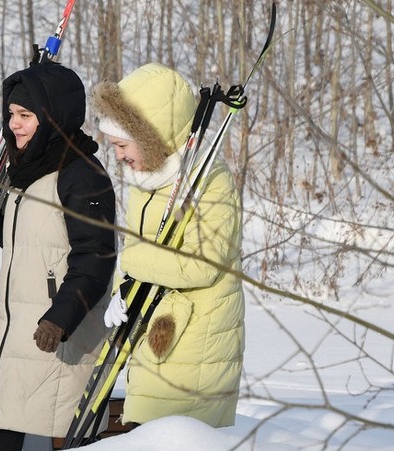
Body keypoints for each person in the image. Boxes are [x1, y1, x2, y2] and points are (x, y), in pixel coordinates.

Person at [0, 61, 116, 450]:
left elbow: (96, 258)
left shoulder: (82, 175)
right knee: (1, 433)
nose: (14, 124)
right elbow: (24, 243)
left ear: (53, 117)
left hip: (57, 340)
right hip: (15, 334)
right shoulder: (23, 169)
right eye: (11, 114)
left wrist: (60, 319)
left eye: (25, 115)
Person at [90, 62, 245, 427]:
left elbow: (202, 263)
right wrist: (120, 292)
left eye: (122, 145)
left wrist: (131, 261)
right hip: (153, 337)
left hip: (196, 349)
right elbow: (139, 256)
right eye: (113, 146)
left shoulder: (210, 181)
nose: (118, 156)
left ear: (150, 137)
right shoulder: (144, 182)